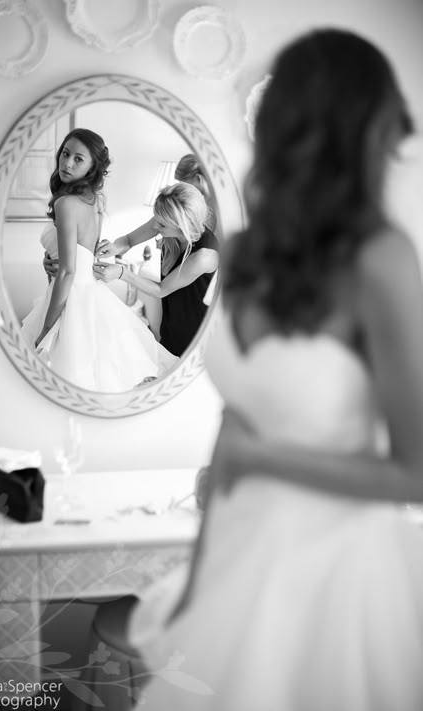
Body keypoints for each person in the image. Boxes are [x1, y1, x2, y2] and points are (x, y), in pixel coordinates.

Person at [125, 28, 423, 711]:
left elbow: (417, 467)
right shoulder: (251, 249)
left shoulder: (383, 258)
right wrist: (197, 591)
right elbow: (235, 429)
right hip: (239, 551)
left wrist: (268, 462)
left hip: (339, 584)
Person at [21, 128, 177, 392]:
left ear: (93, 167)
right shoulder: (93, 201)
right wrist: (48, 260)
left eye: (78, 159)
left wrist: (48, 328)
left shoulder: (66, 203)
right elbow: (77, 257)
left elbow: (69, 272)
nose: (67, 163)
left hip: (71, 296)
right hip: (85, 292)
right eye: (65, 154)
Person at [94, 182, 219, 357]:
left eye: (162, 225)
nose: (155, 227)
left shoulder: (204, 256)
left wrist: (121, 273)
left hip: (194, 339)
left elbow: (161, 290)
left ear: (182, 225)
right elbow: (129, 240)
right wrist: (115, 246)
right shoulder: (165, 220)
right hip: (171, 328)